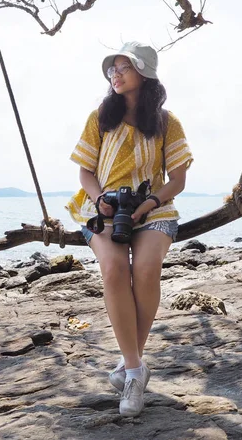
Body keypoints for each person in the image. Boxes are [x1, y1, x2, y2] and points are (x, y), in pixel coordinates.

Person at [65, 41, 193, 417]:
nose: (115, 75)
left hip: (154, 208)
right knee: (113, 269)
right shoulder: (100, 117)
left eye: (124, 67)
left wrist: (151, 202)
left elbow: (178, 180)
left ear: (145, 74)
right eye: (112, 69)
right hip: (102, 207)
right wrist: (101, 196)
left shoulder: (168, 122)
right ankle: (135, 369)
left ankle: (130, 366)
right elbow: (85, 171)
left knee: (147, 268)